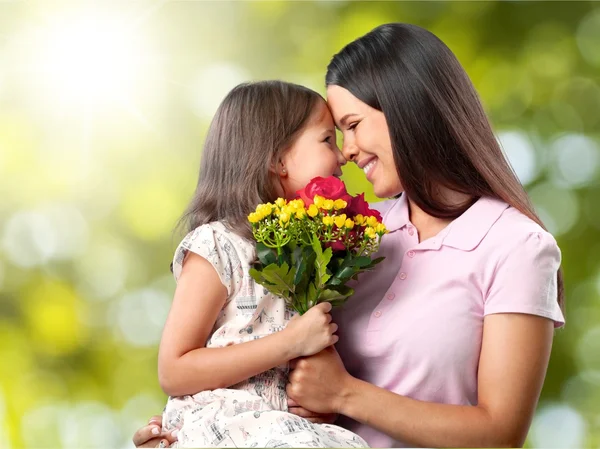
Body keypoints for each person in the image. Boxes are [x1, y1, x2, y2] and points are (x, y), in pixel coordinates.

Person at [134, 23, 564, 448]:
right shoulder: (350, 236)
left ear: (406, 108)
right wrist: (190, 429)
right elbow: (253, 351)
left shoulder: (516, 246)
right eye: (336, 135)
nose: (348, 152)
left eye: (353, 124)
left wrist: (345, 394)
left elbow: (501, 433)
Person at [153, 80, 368, 448]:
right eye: (326, 140)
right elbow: (174, 370)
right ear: (278, 160)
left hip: (283, 427)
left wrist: (318, 407)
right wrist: (289, 343)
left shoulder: (308, 253)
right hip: (225, 422)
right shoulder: (217, 245)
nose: (344, 155)